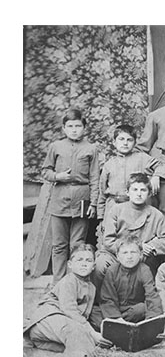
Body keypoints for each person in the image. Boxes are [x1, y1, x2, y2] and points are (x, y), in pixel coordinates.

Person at [24, 244, 106, 357]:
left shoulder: (91, 287)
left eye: (88, 260)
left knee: (84, 339)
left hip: (49, 337)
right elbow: (69, 309)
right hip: (47, 318)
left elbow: (85, 314)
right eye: (79, 260)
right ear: (70, 264)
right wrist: (91, 332)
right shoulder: (69, 280)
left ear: (93, 266)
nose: (84, 264)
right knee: (76, 331)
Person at [42, 108, 100, 282]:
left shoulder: (91, 148)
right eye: (70, 126)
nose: (74, 130)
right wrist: (57, 176)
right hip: (59, 199)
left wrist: (93, 203)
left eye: (78, 126)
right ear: (64, 128)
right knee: (59, 245)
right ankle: (58, 283)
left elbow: (95, 178)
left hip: (82, 200)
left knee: (77, 244)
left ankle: (76, 280)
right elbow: (45, 171)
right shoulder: (56, 147)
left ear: (84, 127)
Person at [96, 173, 165, 286]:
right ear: (127, 192)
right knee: (100, 264)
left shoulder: (155, 214)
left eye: (143, 190)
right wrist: (137, 247)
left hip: (141, 257)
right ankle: (101, 296)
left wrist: (151, 246)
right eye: (135, 190)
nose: (139, 194)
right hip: (115, 254)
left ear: (149, 193)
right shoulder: (116, 210)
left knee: (148, 268)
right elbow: (108, 241)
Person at [97, 124, 161, 223]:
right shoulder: (109, 164)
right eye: (121, 139)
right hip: (114, 207)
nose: (125, 143)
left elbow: (162, 166)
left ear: (135, 143)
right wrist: (101, 217)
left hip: (137, 208)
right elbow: (102, 192)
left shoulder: (142, 158)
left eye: (129, 140)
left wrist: (156, 176)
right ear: (114, 142)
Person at [100, 238, 162, 322]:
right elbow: (107, 298)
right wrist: (116, 318)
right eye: (125, 253)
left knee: (142, 308)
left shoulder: (144, 270)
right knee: (95, 312)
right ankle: (118, 323)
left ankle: (124, 325)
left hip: (133, 310)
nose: (129, 257)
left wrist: (152, 318)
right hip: (116, 309)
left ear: (140, 254)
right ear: (117, 256)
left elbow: (151, 295)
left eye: (133, 252)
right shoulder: (112, 271)